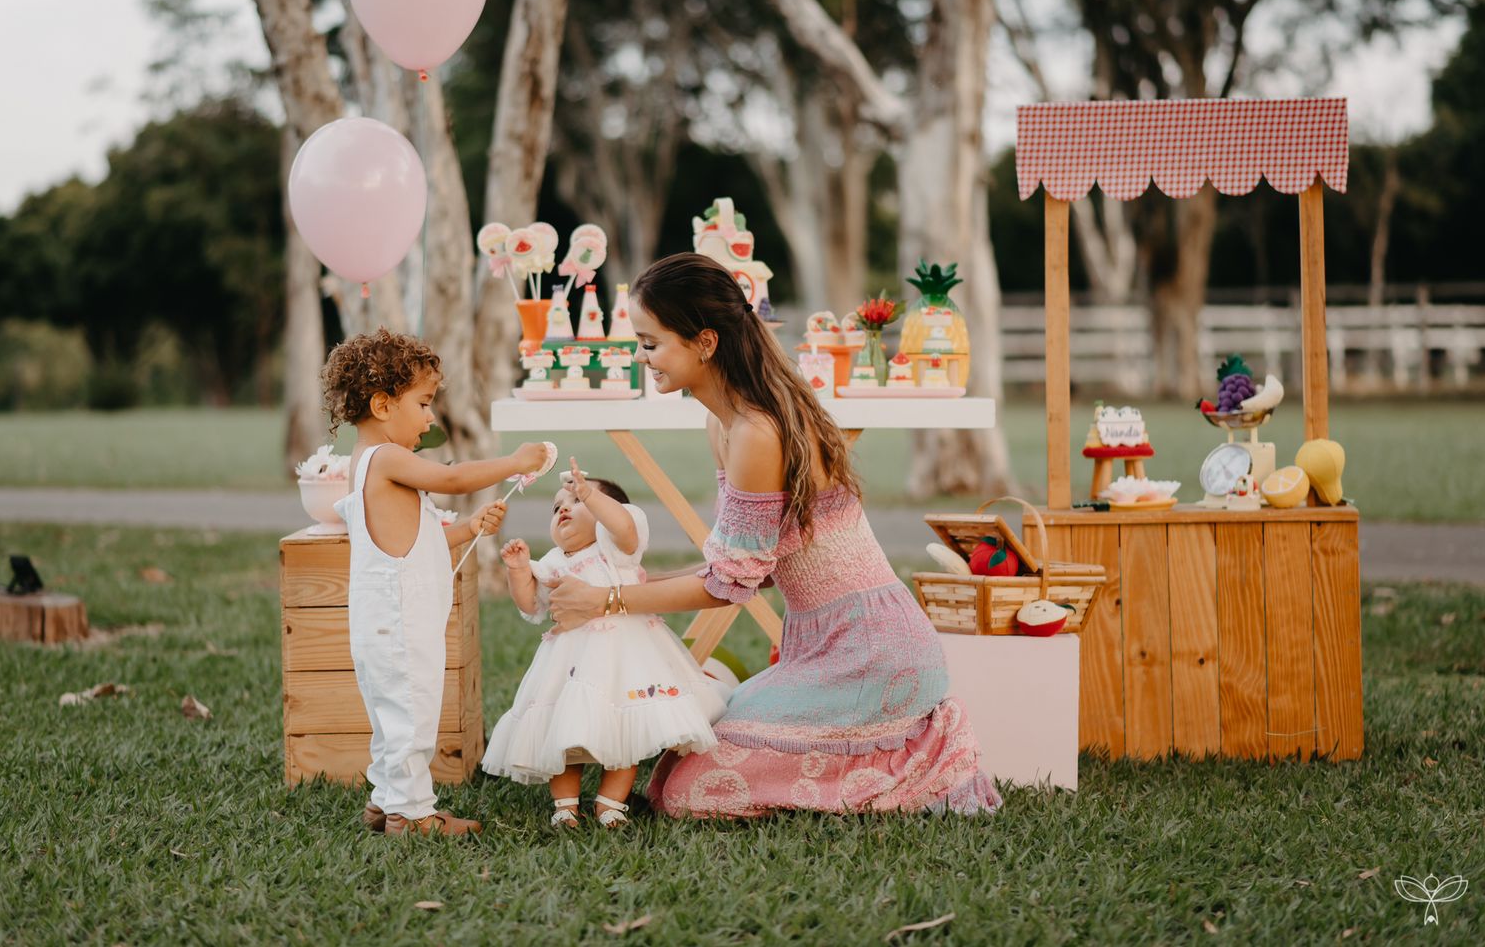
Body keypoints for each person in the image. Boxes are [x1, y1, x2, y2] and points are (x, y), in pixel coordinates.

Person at [546, 254, 1002, 818]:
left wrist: (605, 601)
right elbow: (743, 566)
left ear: (705, 342)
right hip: (823, 646)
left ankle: (924, 755)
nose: (643, 358)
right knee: (679, 754)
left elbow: (731, 585)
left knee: (687, 790)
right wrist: (618, 592)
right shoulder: (723, 421)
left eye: (650, 343)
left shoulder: (756, 431)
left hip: (873, 653)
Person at [323, 328, 549, 837]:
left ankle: (385, 801)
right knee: (413, 717)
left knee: (392, 720)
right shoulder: (386, 459)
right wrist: (514, 462)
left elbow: (413, 544)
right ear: (382, 404)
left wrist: (470, 529)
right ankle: (413, 813)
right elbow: (451, 479)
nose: (430, 417)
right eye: (423, 404)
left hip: (383, 626)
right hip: (400, 627)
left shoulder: (366, 465)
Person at [484, 460, 726, 828]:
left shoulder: (615, 548)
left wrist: (589, 494)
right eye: (556, 507)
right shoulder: (552, 562)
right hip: (570, 661)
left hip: (625, 657)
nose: (564, 507)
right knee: (564, 736)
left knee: (626, 726)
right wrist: (519, 570)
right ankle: (565, 806)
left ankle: (610, 803)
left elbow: (623, 525)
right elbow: (531, 606)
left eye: (576, 500)